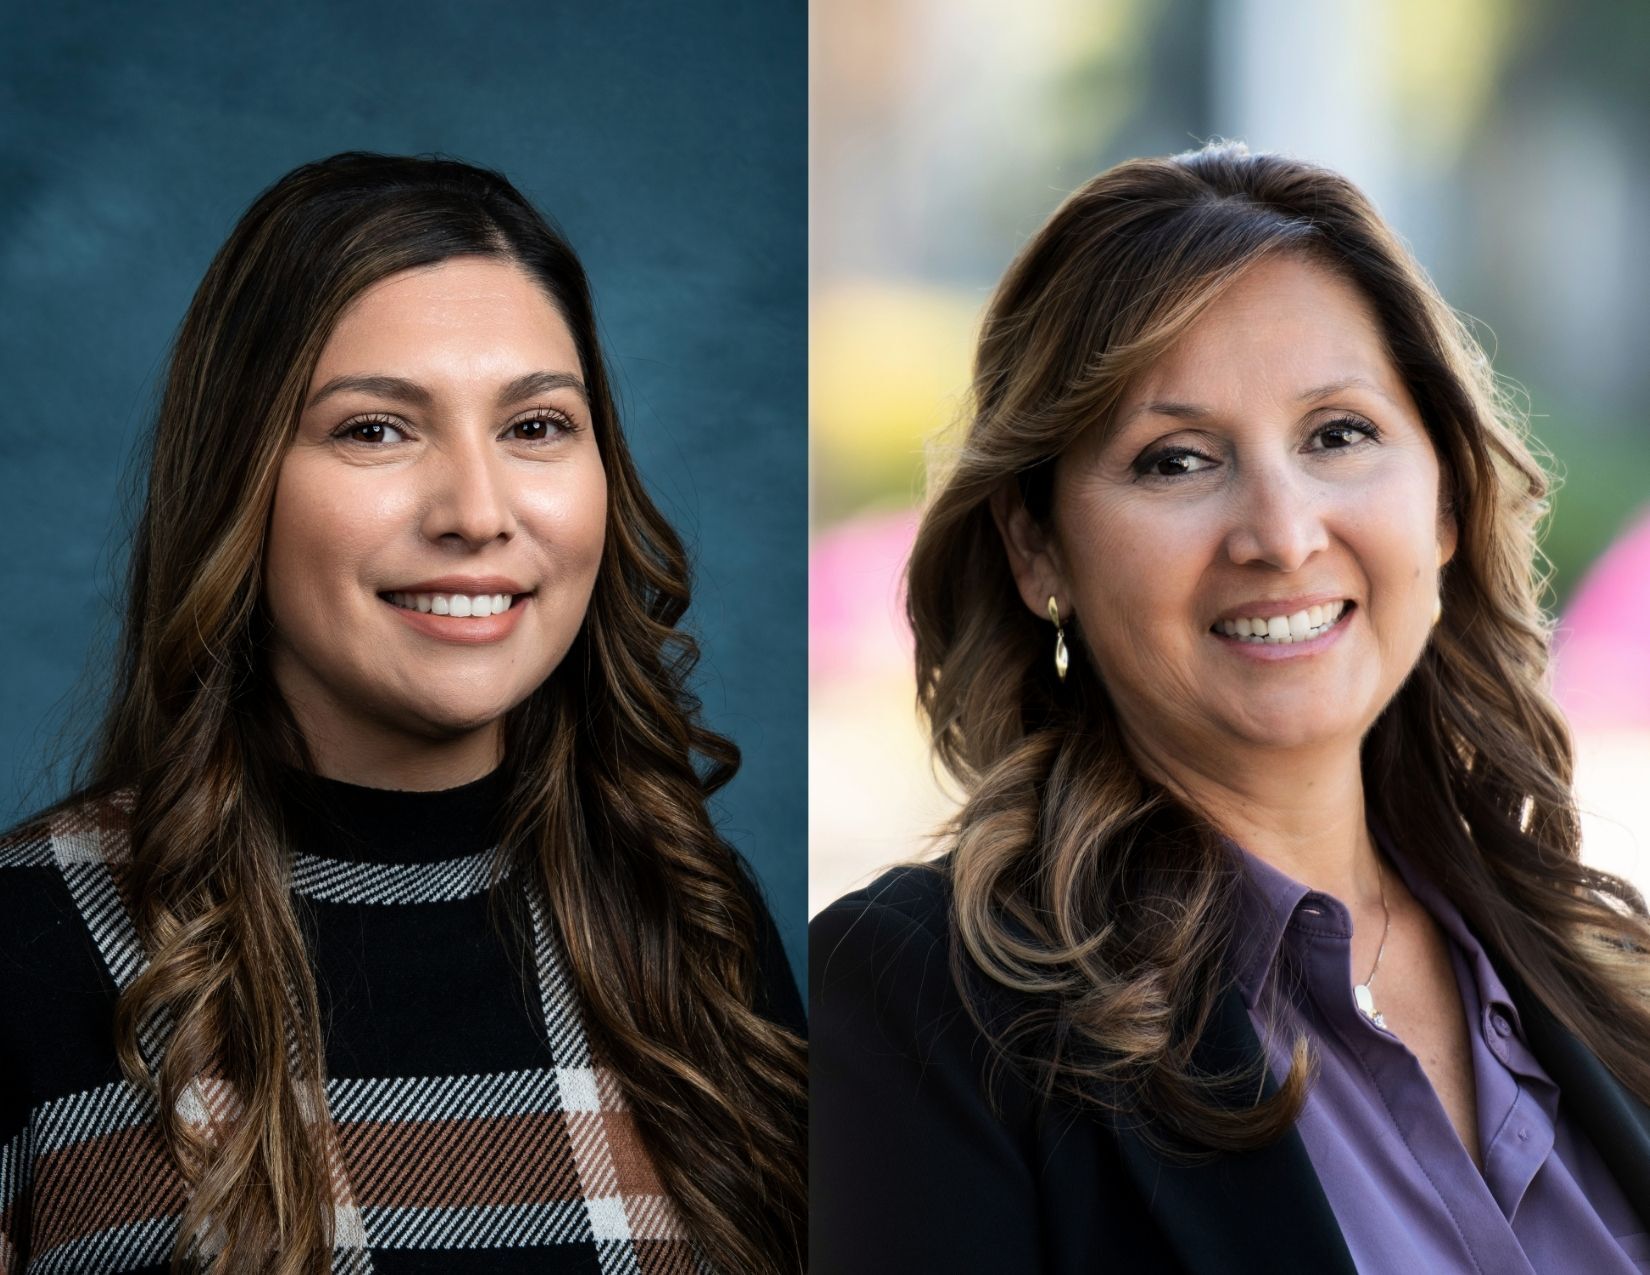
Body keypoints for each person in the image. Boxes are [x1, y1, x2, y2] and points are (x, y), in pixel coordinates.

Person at [810, 142, 1650, 1274]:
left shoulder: (1600, 966)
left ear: (1443, 497)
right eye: (1177, 460)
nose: (1283, 533)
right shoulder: (915, 1014)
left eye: (1338, 435)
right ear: (1035, 544)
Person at [0, 153, 805, 1275]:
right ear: (240, 483)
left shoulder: (696, 929)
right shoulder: (28, 945)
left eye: (535, 427)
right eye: (376, 429)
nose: (478, 513)